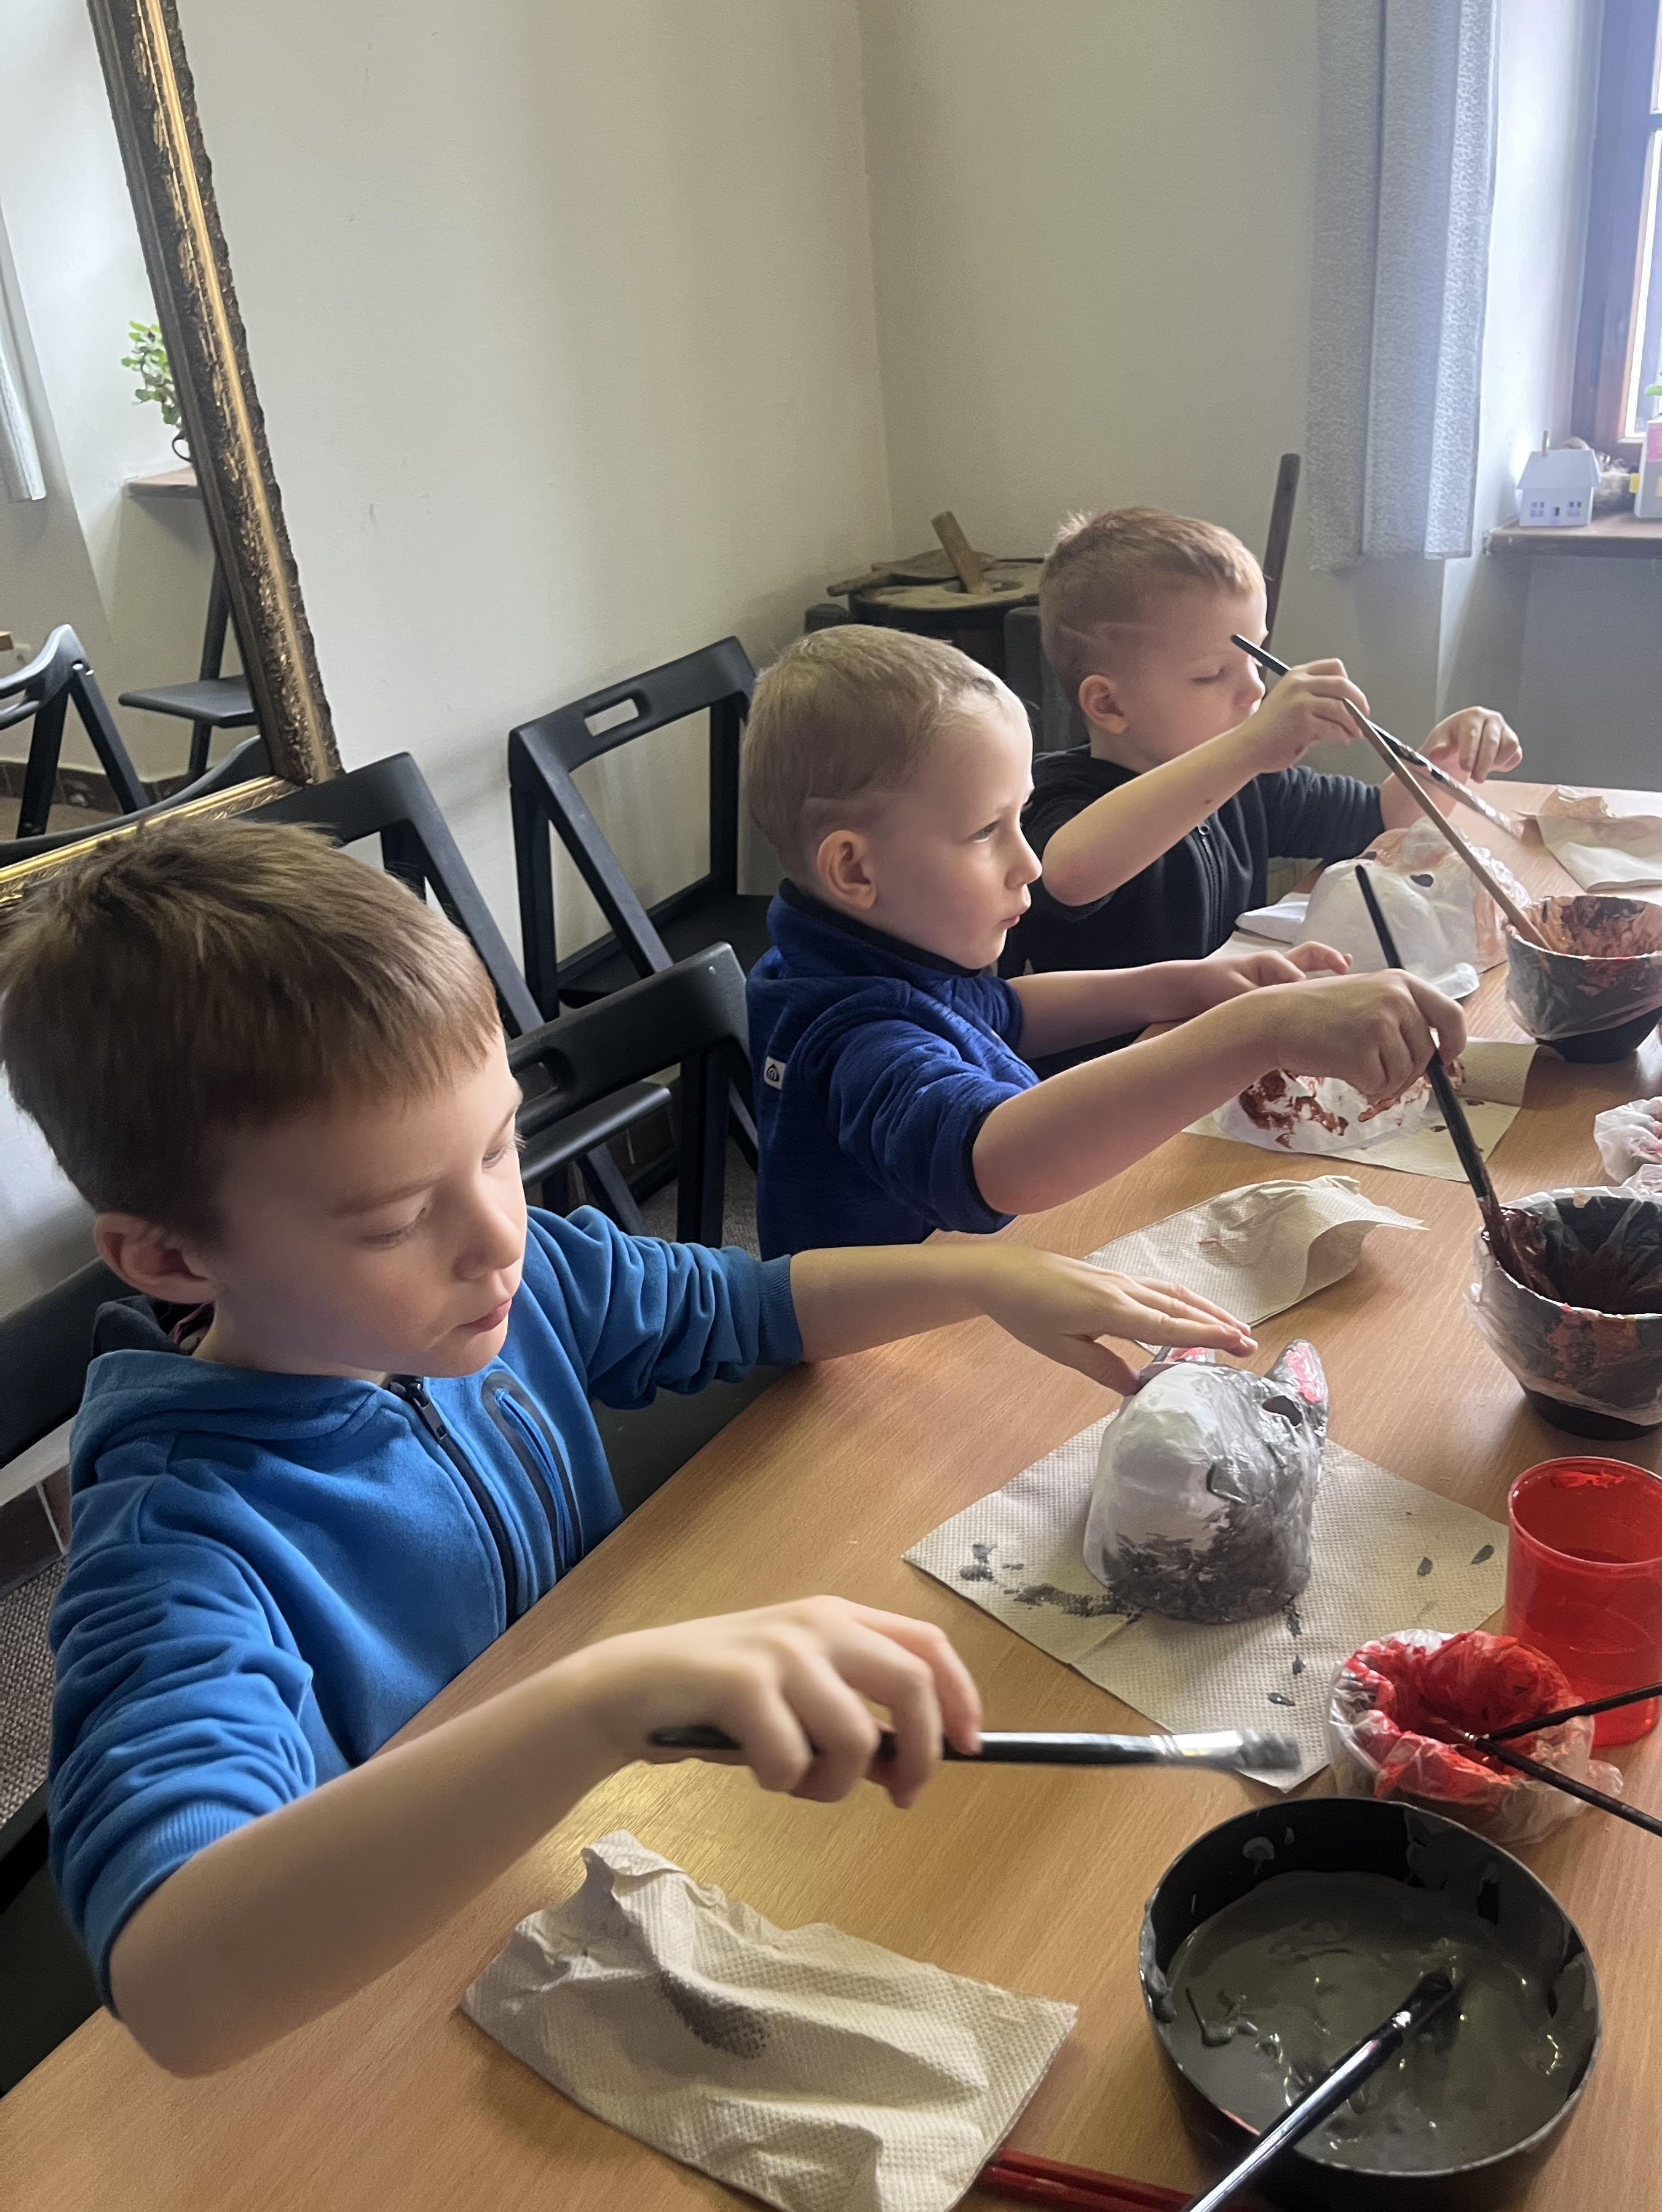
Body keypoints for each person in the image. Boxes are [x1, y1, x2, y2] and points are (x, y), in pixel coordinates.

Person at [0, 819, 1257, 2074]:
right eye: (393, 1221)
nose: (500, 1235)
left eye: (498, 1146)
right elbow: (174, 1985)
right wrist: (595, 1704)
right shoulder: (178, 1549)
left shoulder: (524, 1280)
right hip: (395, 2008)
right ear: (169, 1257)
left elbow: (752, 1306)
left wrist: (984, 1279)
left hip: (593, 1862)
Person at [742, 623, 1465, 1257]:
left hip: (971, 1280)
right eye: (987, 832)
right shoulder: (854, 1031)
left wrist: (1175, 986)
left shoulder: (862, 951)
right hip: (884, 1355)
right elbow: (995, 1163)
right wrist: (1257, 1031)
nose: (1029, 862)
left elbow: (1001, 1011)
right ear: (855, 870)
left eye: (1020, 820)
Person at [1005, 505, 1522, 978]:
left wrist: (1441, 762)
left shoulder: (1249, 783)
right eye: (1211, 675)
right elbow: (1069, 875)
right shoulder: (1054, 797)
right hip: (1129, 1050)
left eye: (1256, 660)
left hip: (1227, 1031)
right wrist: (1248, 749)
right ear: (1110, 705)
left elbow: (1382, 818)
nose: (1255, 690)